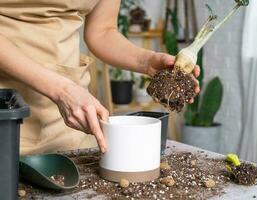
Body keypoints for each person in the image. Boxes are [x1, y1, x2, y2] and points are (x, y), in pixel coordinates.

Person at [0, 0, 200, 155]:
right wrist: (60, 89)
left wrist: (147, 61)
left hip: (69, 119)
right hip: (6, 111)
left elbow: (102, 31)